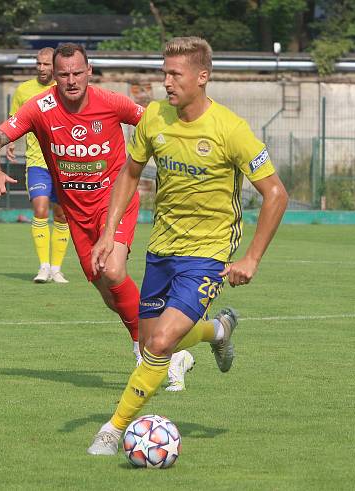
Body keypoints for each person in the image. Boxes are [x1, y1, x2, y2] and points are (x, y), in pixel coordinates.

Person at [86, 36, 288, 456]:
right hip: (162, 246)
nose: (166, 82)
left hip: (209, 252)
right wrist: (108, 233)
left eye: (175, 74)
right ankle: (218, 330)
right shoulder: (154, 118)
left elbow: (276, 194)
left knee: (160, 345)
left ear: (202, 77)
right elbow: (129, 173)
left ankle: (113, 429)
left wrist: (250, 257)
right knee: (150, 344)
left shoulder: (230, 129)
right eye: (164, 73)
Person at [0, 43, 146, 363]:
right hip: (76, 212)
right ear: (53, 76)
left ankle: (149, 350)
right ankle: (167, 332)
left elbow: (153, 124)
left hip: (114, 201)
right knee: (110, 295)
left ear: (89, 72)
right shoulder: (39, 107)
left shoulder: (111, 102)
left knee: (114, 272)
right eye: (64, 74)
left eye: (77, 73)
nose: (71, 80)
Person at [5, 47, 72, 284]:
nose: (42, 68)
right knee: (41, 209)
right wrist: (10, 142)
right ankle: (43, 267)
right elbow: (15, 120)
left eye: (47, 64)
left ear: (56, 66)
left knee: (62, 215)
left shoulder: (65, 89)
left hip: (64, 162)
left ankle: (57, 268)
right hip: (37, 162)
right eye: (39, 64)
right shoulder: (24, 91)